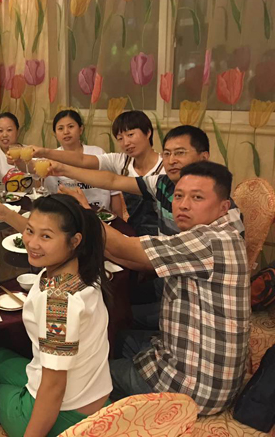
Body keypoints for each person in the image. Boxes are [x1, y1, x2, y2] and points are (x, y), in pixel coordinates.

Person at [72, 161, 249, 416]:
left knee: (86, 373)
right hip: (204, 367)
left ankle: (106, 419)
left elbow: (124, 248)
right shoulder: (224, 230)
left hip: (194, 390)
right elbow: (136, 259)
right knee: (114, 335)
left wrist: (83, 211)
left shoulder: (210, 241)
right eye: (179, 196)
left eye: (197, 197)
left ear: (224, 206)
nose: (183, 205)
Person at [0, 195, 112, 437]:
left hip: (68, 416)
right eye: (30, 231)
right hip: (92, 395)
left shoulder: (57, 303)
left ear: (75, 241)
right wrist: (5, 214)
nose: (32, 243)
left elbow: (54, 387)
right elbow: (41, 232)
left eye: (46, 237)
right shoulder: (86, 269)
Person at [33, 111, 163, 235]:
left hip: (163, 235)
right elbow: (82, 159)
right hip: (134, 231)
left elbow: (112, 181)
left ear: (148, 132)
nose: (126, 143)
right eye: (120, 138)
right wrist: (44, 152)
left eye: (130, 135)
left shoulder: (166, 167)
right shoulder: (121, 161)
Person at [42, 110, 121, 215]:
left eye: (71, 126)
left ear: (80, 129)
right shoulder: (51, 159)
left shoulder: (97, 153)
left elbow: (114, 192)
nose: (66, 132)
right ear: (55, 134)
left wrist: (119, 220)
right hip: (64, 215)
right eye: (60, 128)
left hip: (99, 215)